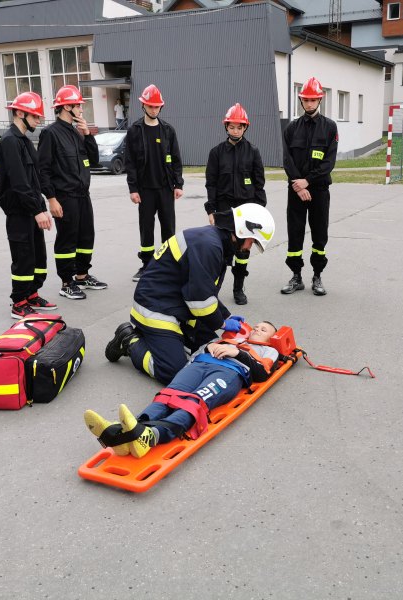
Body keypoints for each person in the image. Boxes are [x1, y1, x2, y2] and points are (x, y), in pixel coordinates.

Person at [104, 203, 275, 385]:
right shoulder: (209, 246)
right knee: (174, 372)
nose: (249, 247)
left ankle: (159, 340)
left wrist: (226, 315)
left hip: (176, 302)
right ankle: (129, 341)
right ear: (243, 231)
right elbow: (199, 299)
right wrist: (222, 323)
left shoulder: (214, 241)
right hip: (157, 308)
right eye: (252, 241)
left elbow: (204, 290)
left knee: (213, 345)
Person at [86, 321, 279, 458]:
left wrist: (238, 353)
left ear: (271, 338)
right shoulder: (228, 340)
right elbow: (195, 355)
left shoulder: (269, 350)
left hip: (229, 373)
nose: (257, 329)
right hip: (200, 365)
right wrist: (209, 347)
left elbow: (263, 373)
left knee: (193, 403)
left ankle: (153, 436)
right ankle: (126, 432)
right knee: (167, 395)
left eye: (263, 330)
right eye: (256, 327)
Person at [37, 84, 107, 301]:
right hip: (64, 197)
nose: (81, 109)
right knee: (67, 239)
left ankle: (82, 275)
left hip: (83, 195)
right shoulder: (50, 133)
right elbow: (43, 169)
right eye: (78, 105)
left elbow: (94, 160)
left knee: (86, 236)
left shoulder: (77, 133)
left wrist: (87, 134)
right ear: (67, 107)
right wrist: (51, 199)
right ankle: (67, 282)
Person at [0, 91, 55, 319]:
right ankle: (19, 302)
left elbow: (34, 180)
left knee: (37, 256)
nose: (38, 120)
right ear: (20, 113)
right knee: (23, 256)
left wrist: (42, 206)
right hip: (19, 210)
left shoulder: (25, 141)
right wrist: (36, 210)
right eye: (35, 116)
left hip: (32, 208)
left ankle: (32, 294)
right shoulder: (10, 141)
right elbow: (19, 182)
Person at [280, 76, 338, 296]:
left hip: (319, 189)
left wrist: (308, 181)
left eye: (313, 100)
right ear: (301, 100)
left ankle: (317, 276)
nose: (309, 103)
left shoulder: (329, 127)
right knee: (295, 233)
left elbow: (329, 162)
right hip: (296, 190)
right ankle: (296, 277)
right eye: (306, 99)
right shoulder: (291, 128)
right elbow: (287, 160)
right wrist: (299, 184)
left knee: (319, 234)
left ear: (320, 100)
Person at [204, 103, 267, 305]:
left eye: (239, 127)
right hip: (224, 209)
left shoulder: (253, 152)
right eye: (232, 127)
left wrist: (259, 211)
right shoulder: (216, 153)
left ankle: (238, 289)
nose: (235, 131)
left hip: (247, 208)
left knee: (243, 251)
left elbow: (259, 184)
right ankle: (213, 291)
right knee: (223, 251)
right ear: (226, 126)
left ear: (245, 127)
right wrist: (211, 210)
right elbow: (211, 184)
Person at [124, 84, 184, 282]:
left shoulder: (168, 130)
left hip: (165, 188)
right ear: (143, 106)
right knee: (146, 228)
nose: (154, 109)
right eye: (150, 106)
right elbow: (130, 163)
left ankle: (168, 264)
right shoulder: (134, 131)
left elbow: (176, 159)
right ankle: (147, 265)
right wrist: (133, 189)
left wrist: (178, 184)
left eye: (157, 106)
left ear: (161, 107)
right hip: (145, 190)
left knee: (168, 227)